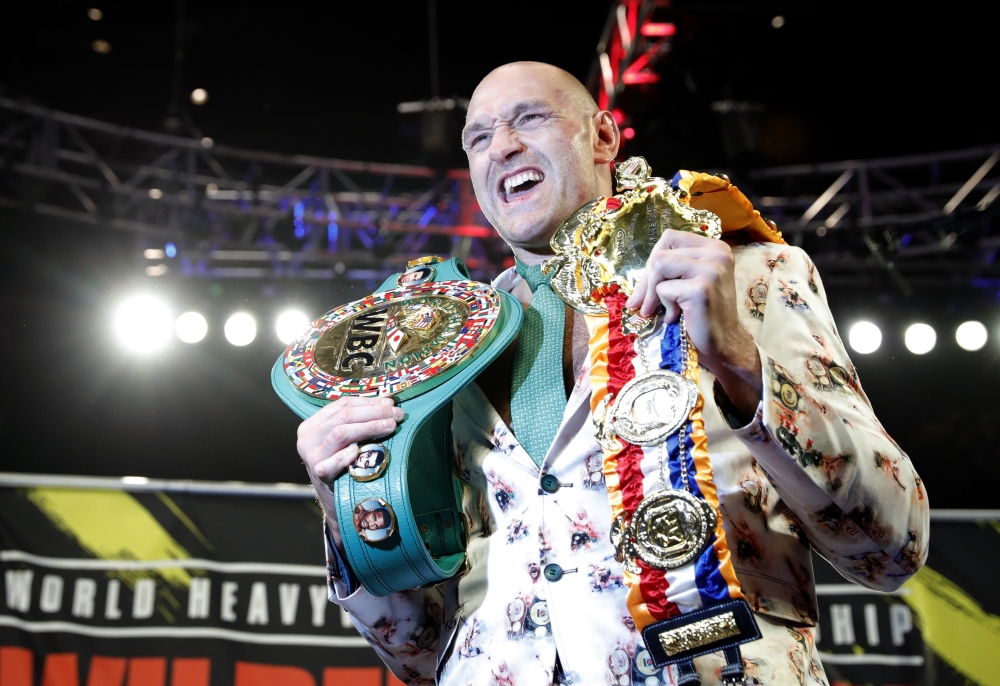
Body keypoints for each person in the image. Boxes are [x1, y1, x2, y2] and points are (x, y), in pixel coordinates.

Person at [295, 62, 929, 685]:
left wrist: (741, 362)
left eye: (529, 119)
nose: (502, 146)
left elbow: (892, 546)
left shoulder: (745, 275)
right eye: (479, 137)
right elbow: (418, 651)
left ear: (602, 136)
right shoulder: (441, 353)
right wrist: (344, 501)